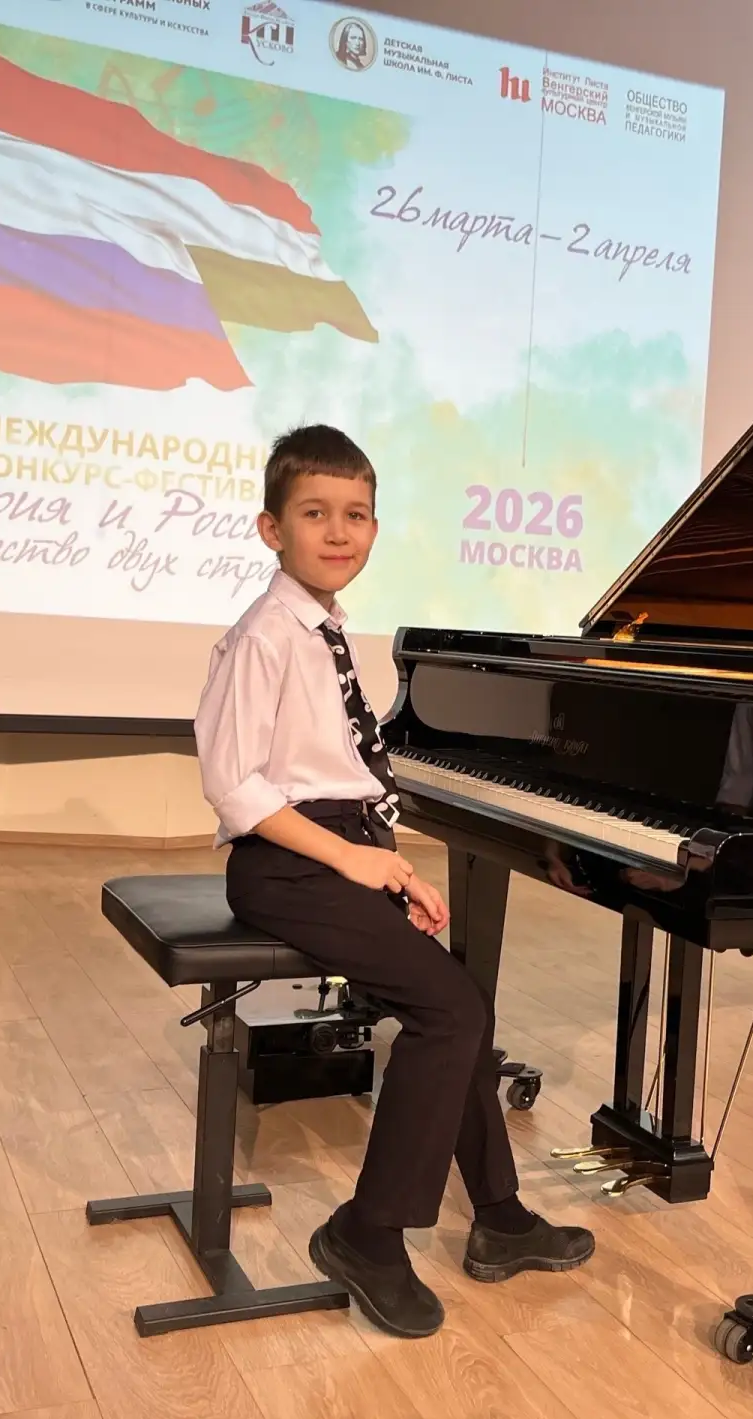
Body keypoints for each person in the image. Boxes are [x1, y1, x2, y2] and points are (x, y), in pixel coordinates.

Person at [194, 424, 594, 1338]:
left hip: (337, 853)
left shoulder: (327, 628)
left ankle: (498, 1217)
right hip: (285, 868)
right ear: (271, 529)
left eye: (357, 514)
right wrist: (352, 859)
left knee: (464, 1004)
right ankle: (366, 1235)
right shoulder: (264, 636)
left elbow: (342, 775)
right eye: (315, 514)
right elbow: (235, 787)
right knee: (447, 1012)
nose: (339, 532)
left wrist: (388, 863)